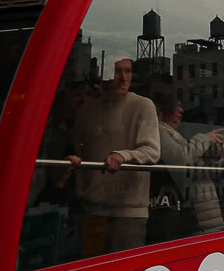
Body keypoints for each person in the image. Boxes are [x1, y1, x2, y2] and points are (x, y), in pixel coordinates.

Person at [68, 58, 160, 255]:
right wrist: (81, 194)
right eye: (118, 71)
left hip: (129, 211)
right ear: (104, 75)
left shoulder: (143, 106)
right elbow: (80, 156)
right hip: (91, 209)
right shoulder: (86, 111)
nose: (123, 78)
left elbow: (152, 151)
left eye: (128, 72)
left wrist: (123, 155)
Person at [155, 98, 224, 240]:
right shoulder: (159, 131)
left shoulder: (174, 134)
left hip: (202, 205)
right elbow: (181, 158)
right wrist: (205, 139)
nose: (181, 110)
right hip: (193, 208)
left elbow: (192, 158)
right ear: (163, 110)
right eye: (177, 106)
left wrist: (213, 153)